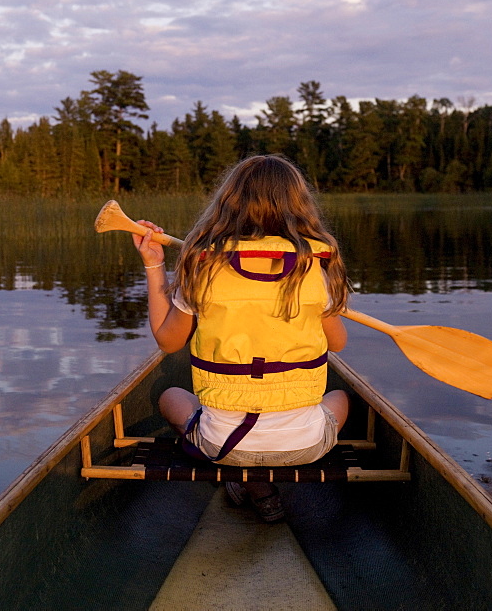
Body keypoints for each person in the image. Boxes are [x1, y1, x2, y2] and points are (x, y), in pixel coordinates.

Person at [131, 154, 350, 522]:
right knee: (341, 396)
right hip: (306, 445)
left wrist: (155, 265)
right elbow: (338, 344)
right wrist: (324, 304)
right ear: (299, 207)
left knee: (170, 395)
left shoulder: (203, 267)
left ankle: (253, 485)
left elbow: (168, 343)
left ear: (228, 204)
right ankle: (258, 486)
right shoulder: (317, 267)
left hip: (223, 445)